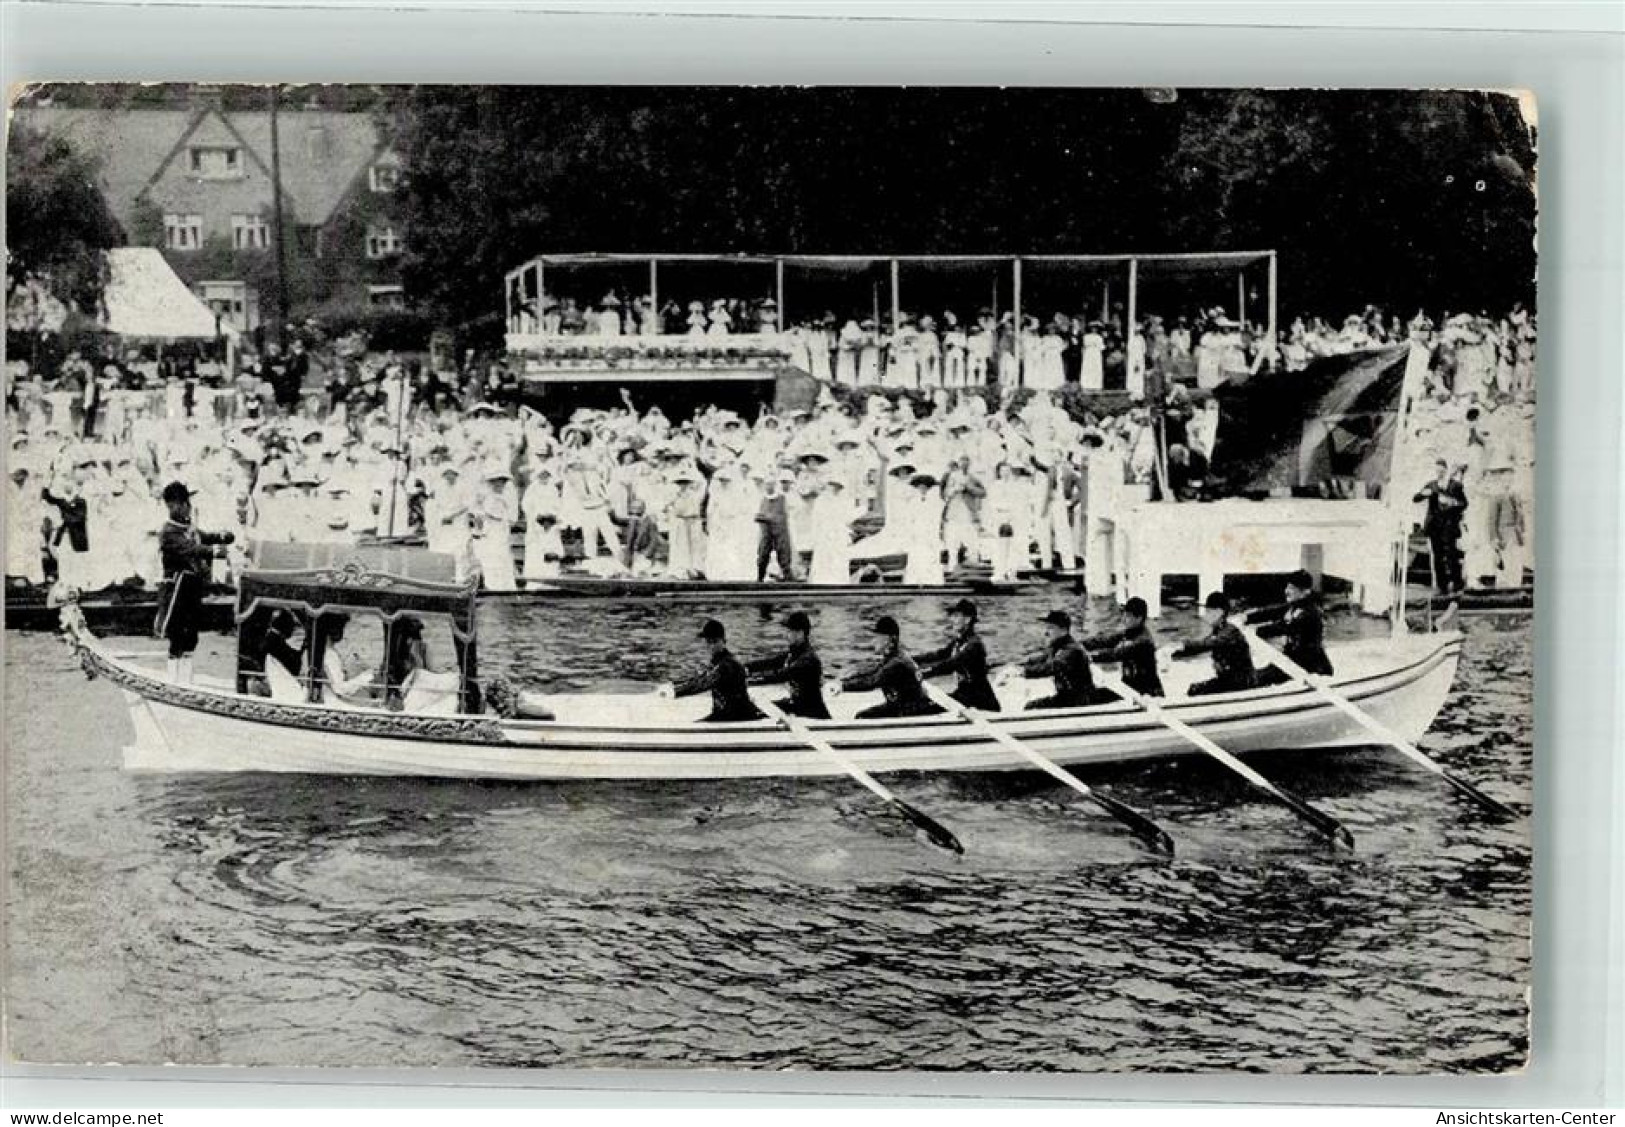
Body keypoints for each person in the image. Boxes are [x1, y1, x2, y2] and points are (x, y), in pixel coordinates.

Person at [155, 480, 235, 684]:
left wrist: (222, 537)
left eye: (179, 504)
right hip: (176, 588)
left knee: (191, 633)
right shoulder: (168, 531)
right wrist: (216, 551)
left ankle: (186, 679)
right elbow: (191, 548)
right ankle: (174, 680)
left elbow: (203, 537)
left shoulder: (187, 527)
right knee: (176, 634)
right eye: (171, 505)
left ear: (185, 504)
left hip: (191, 586)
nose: (176, 509)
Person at [839, 615, 942, 720]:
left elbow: (872, 681)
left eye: (878, 637)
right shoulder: (893, 656)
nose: (873, 641)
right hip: (901, 706)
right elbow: (873, 672)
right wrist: (845, 679)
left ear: (891, 639)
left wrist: (843, 687)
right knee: (863, 715)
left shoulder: (897, 663)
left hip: (911, 712)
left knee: (862, 717)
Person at [663, 618, 765, 723]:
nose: (711, 646)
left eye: (715, 642)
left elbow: (703, 683)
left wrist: (674, 691)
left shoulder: (727, 665)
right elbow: (700, 678)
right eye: (708, 642)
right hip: (725, 714)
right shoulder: (718, 661)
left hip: (737, 717)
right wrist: (673, 684)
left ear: (724, 641)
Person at [1248, 570, 1334, 682]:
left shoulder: (1311, 613)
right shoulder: (1293, 607)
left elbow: (1287, 627)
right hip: (1292, 662)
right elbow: (1271, 612)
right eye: (1287, 587)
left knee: (1259, 679)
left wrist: (1258, 630)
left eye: (1292, 588)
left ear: (1305, 592)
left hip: (1309, 667)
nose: (1286, 591)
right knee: (1258, 675)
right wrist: (1247, 617)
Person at [916, 598, 1001, 711]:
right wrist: (911, 659)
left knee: (925, 708)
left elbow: (950, 665)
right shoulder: (959, 642)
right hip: (964, 696)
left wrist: (924, 673)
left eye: (956, 616)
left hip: (981, 703)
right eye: (952, 616)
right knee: (923, 703)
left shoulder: (974, 645)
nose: (952, 620)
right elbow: (939, 655)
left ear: (967, 619)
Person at [744, 610, 830, 719]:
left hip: (811, 714)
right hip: (797, 706)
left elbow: (781, 675)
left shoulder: (808, 659)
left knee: (759, 711)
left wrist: (750, 679)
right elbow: (772, 663)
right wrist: (745, 667)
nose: (786, 635)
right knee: (757, 708)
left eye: (790, 631)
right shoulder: (794, 654)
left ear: (800, 633)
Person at [1021, 609, 1113, 710]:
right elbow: (1042, 659)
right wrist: (1021, 666)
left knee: (1031, 707)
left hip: (1078, 701)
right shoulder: (1058, 646)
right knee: (1032, 705)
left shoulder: (1071, 650)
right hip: (1067, 697)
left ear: (1063, 630)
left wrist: (1026, 672)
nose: (1046, 633)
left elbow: (1054, 666)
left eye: (1050, 628)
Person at [1172, 591, 1257, 696]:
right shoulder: (1218, 630)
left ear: (1219, 612)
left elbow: (1210, 643)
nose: (1206, 615)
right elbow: (1201, 646)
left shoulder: (1230, 631)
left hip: (1241, 682)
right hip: (1229, 679)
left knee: (1195, 690)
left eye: (1209, 611)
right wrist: (1176, 652)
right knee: (1195, 688)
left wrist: (1184, 645)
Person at [1082, 596, 1163, 697]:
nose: (1123, 619)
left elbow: (1115, 654)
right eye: (1123, 614)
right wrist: (1078, 645)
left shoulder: (1143, 641)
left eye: (1128, 616)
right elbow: (1104, 640)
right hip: (1130, 688)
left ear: (1139, 618)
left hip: (1147, 693)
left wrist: (1087, 657)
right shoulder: (1128, 633)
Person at [1414, 458, 1468, 594]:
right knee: (1437, 557)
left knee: (1452, 555)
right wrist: (1422, 494)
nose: (1439, 473)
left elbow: (1464, 503)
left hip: (1449, 526)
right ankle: (1441, 586)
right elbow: (1415, 498)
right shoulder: (1431, 485)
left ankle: (1457, 584)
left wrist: (1452, 502)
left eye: (1441, 470)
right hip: (1434, 526)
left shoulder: (1455, 485)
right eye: (1436, 470)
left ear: (1445, 469)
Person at [755, 474, 796, 582]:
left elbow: (787, 514)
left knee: (783, 553)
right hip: (766, 530)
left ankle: (788, 578)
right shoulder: (762, 499)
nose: (769, 487)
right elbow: (757, 515)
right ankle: (760, 577)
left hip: (779, 529)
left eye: (771, 484)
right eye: (767, 484)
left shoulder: (782, 498)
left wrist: (772, 518)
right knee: (763, 553)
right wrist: (763, 518)